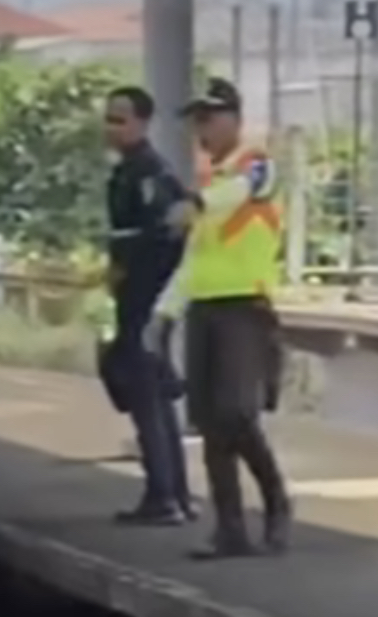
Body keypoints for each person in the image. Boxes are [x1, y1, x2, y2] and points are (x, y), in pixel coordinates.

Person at [146, 78, 291, 559]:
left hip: (244, 308)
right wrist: (164, 316)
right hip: (206, 309)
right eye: (196, 122)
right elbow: (194, 262)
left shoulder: (255, 167)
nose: (201, 130)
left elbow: (242, 191)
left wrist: (197, 204)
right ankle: (229, 528)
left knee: (236, 413)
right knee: (209, 421)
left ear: (233, 118)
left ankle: (275, 502)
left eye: (208, 118)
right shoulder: (210, 185)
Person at [102, 86, 195, 526]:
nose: (111, 127)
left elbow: (166, 239)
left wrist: (132, 275)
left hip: (144, 300)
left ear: (142, 122)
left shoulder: (148, 175)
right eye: (109, 118)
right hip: (139, 298)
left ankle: (164, 496)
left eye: (120, 119)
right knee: (153, 395)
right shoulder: (132, 171)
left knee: (146, 395)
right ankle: (174, 492)